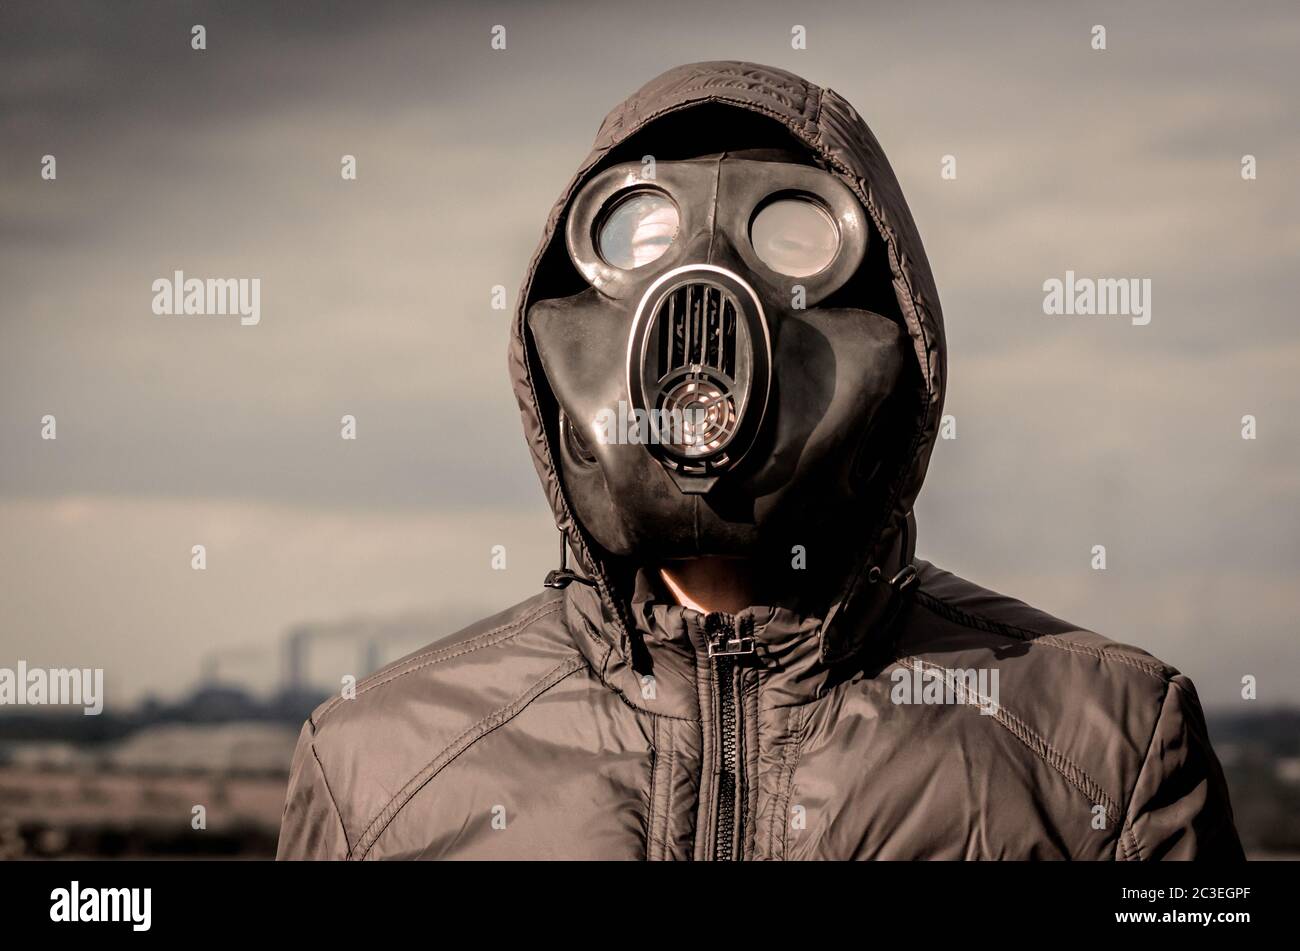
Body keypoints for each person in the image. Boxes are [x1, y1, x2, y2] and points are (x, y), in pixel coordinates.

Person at [277, 61, 1242, 860]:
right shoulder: (379, 775)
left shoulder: (1108, 757)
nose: (707, 299)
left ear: (896, 333)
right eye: (641, 237)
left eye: (793, 241)